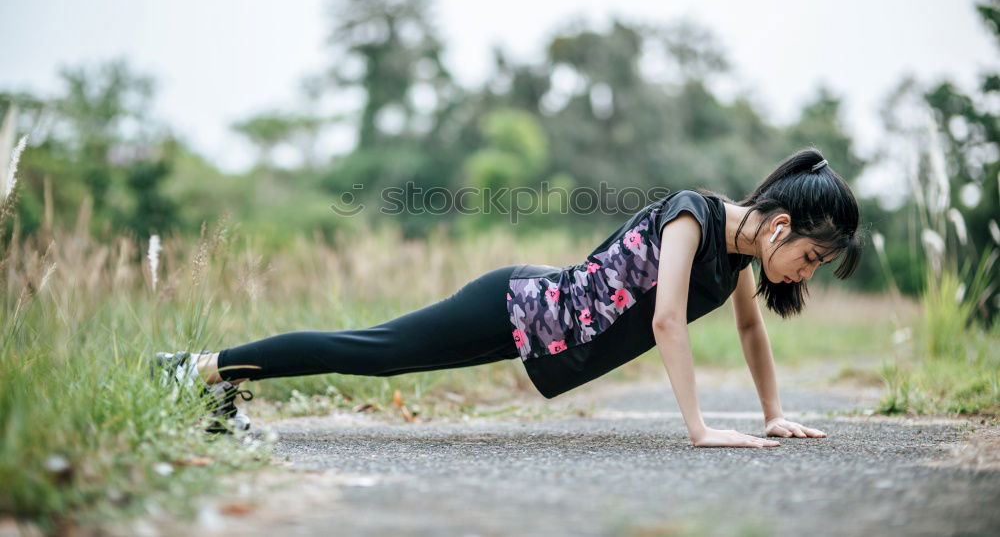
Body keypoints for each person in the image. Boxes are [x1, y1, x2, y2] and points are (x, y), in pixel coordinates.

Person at [153, 148, 862, 447]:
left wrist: (774, 415)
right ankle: (197, 366)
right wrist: (701, 429)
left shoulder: (735, 256)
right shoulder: (693, 216)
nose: (801, 273)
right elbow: (667, 317)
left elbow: (750, 333)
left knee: (382, 357)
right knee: (375, 350)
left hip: (545, 335)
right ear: (778, 225)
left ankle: (211, 380)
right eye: (807, 257)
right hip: (517, 304)